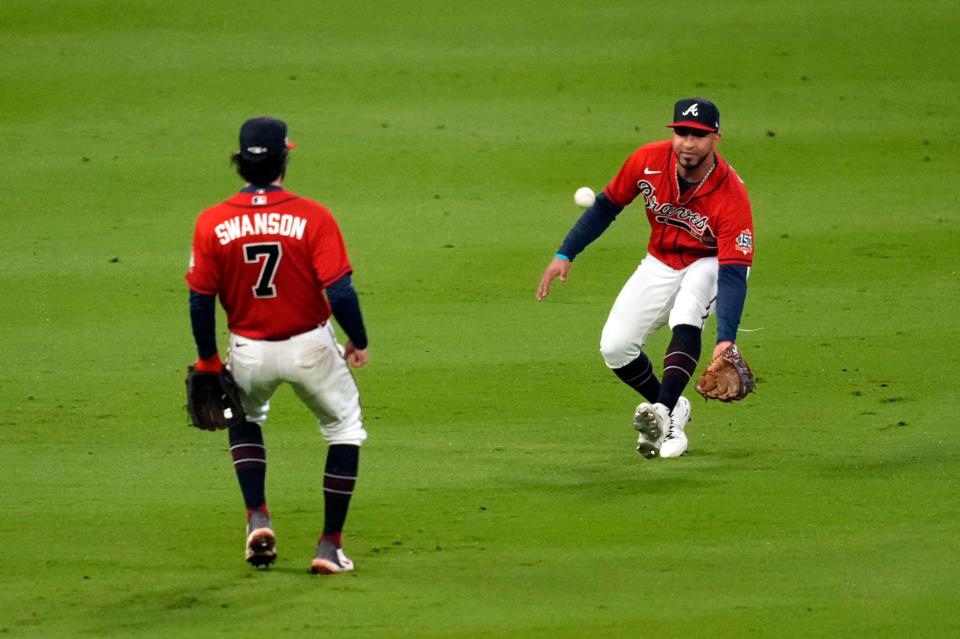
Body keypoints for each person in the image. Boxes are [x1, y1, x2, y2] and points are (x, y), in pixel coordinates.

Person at [185, 116, 369, 573]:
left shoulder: (212, 221)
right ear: (286, 156)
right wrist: (359, 339)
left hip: (249, 349)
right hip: (311, 347)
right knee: (344, 428)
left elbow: (199, 299)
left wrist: (208, 358)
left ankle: (257, 518)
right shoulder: (313, 215)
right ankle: (329, 547)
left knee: (244, 417)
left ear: (240, 162)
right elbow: (341, 291)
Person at [537, 98, 754, 459]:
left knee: (687, 313)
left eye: (698, 135)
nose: (688, 142)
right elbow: (607, 205)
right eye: (682, 133)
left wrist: (725, 339)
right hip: (661, 260)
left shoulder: (731, 195)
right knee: (616, 347)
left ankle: (662, 413)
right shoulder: (648, 161)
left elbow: (732, 273)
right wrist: (565, 253)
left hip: (711, 261)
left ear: (716, 138)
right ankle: (671, 409)